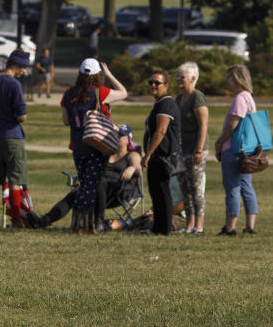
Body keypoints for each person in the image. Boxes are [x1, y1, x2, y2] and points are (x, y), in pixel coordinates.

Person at [61, 58, 128, 233]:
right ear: (98, 75)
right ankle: (82, 225)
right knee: (90, 187)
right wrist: (110, 75)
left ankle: (81, 224)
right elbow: (123, 93)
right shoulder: (100, 93)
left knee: (84, 184)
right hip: (97, 146)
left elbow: (66, 121)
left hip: (77, 147)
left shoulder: (68, 94)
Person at [32, 126, 141, 228]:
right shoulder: (106, 153)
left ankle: (99, 222)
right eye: (115, 134)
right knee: (75, 192)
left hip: (117, 192)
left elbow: (139, 170)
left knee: (99, 182)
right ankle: (46, 220)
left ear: (128, 139)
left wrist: (132, 169)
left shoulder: (132, 155)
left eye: (120, 136)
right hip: (99, 190)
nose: (116, 137)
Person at [0, 51, 32, 228]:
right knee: (16, 179)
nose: (24, 71)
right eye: (23, 67)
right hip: (13, 137)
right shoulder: (15, 85)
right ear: (16, 66)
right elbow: (22, 115)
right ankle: (16, 219)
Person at [214, 64, 259, 236]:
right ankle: (250, 225)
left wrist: (220, 141)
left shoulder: (240, 98)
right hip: (246, 149)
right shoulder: (249, 97)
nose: (227, 82)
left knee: (232, 187)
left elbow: (233, 124)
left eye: (229, 78)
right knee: (247, 186)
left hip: (233, 149)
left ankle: (230, 227)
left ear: (237, 79)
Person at [142, 70, 182, 235]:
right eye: (151, 82)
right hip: (157, 156)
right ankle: (158, 228)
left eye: (157, 82)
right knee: (156, 192)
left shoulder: (166, 103)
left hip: (162, 155)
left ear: (166, 85)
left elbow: (161, 130)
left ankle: (164, 229)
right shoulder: (159, 103)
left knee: (162, 192)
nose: (153, 85)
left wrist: (148, 153)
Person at [175, 62, 209, 234]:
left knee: (196, 188)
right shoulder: (179, 98)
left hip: (196, 149)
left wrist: (199, 150)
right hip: (181, 150)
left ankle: (199, 226)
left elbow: (203, 125)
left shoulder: (197, 97)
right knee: (185, 188)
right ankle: (189, 224)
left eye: (182, 76)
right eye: (177, 76)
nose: (178, 79)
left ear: (193, 78)